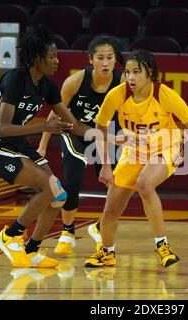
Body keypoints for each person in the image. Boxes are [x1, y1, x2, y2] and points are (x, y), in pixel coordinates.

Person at [84, 50, 188, 268]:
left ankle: (162, 246)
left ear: (150, 73)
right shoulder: (117, 95)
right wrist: (105, 167)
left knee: (145, 183)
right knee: (111, 208)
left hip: (167, 145)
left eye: (136, 72)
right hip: (135, 149)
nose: (130, 77)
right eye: (128, 72)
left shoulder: (164, 95)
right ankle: (107, 252)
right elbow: (100, 129)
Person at [0, 25, 94, 268]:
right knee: (47, 188)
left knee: (58, 194)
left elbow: (72, 125)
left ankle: (31, 249)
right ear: (37, 58)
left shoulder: (47, 86)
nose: (57, 61)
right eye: (52, 56)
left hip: (18, 144)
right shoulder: (14, 80)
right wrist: (44, 128)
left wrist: (107, 136)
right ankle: (9, 236)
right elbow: (3, 128)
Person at [37, 35, 124, 256]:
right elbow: (55, 113)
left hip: (105, 136)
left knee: (115, 186)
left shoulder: (122, 82)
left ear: (116, 60)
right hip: (74, 133)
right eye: (101, 58)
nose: (105, 63)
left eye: (110, 58)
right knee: (73, 180)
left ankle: (100, 229)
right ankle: (67, 232)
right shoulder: (75, 81)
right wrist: (43, 146)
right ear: (91, 60)